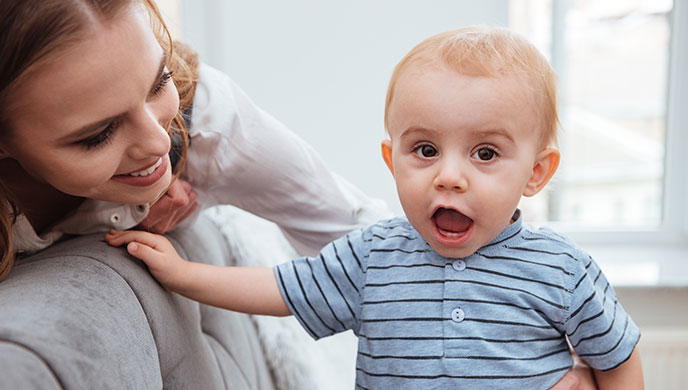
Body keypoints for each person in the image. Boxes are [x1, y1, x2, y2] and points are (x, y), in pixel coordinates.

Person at [105, 25, 642, 389]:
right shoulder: (373, 255)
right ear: (392, 159)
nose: (448, 177)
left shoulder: (563, 270)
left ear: (537, 173)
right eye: (425, 150)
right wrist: (182, 274)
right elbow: (279, 289)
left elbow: (617, 358)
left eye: (485, 153)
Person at [0, 0, 390, 282]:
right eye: (98, 135)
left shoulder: (207, 119)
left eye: (159, 82)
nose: (157, 142)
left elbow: (378, 251)